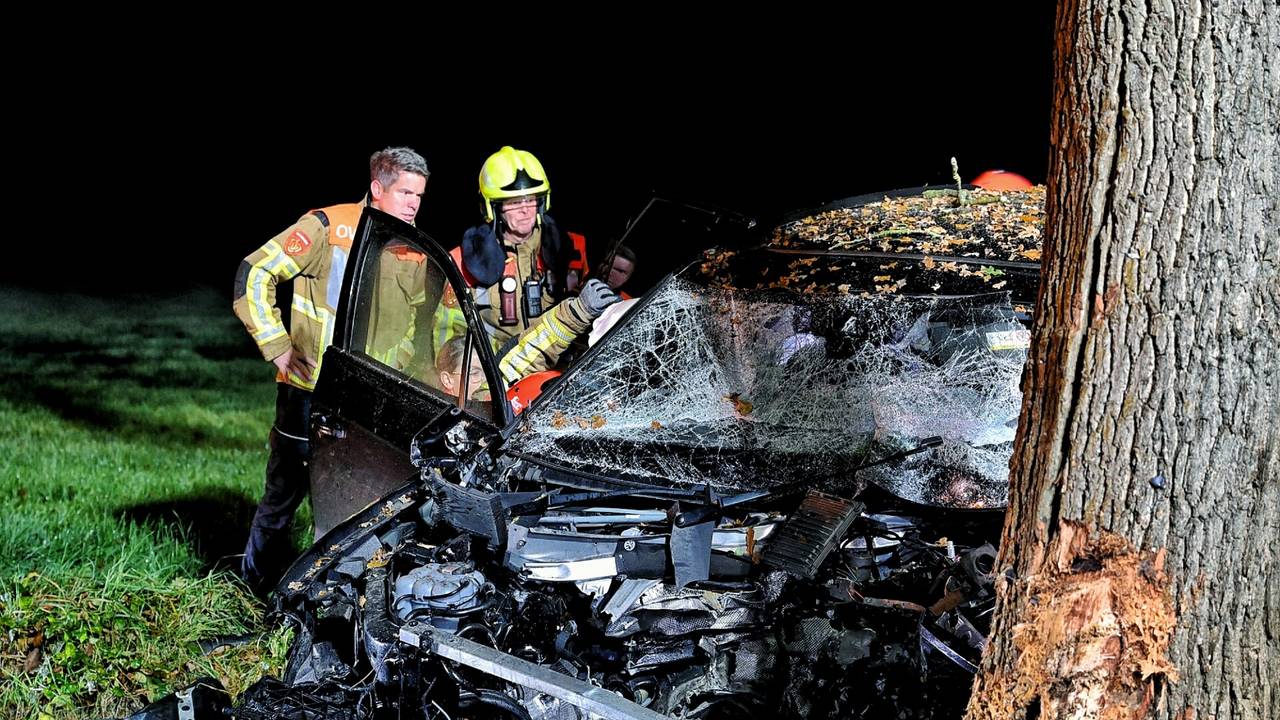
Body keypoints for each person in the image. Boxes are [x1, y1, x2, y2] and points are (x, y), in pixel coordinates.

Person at [232, 146, 429, 594]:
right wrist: (277, 345)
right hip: (308, 394)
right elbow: (254, 273)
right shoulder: (328, 226)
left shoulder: (414, 249)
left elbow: (419, 324)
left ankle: (332, 602)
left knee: (360, 506)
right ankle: (252, 590)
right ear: (377, 188)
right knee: (283, 498)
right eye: (404, 192)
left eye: (419, 194)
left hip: (368, 403)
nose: (413, 204)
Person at [434, 146, 574, 357]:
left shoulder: (561, 249)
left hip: (555, 372)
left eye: (531, 199)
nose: (525, 209)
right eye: (515, 202)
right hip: (498, 374)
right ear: (494, 207)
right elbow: (449, 339)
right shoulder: (467, 259)